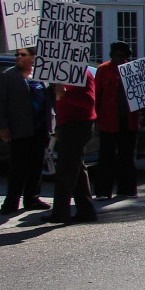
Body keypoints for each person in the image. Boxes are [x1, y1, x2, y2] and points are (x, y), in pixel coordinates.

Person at [0, 45, 53, 214]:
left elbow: (50, 99)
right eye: (17, 55)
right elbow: (1, 103)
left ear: (33, 57)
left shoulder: (41, 74)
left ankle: (32, 198)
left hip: (40, 127)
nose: (19, 57)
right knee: (18, 166)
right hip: (19, 127)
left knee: (36, 164)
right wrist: (3, 126)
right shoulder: (9, 76)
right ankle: (11, 201)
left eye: (23, 55)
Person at [43, 72, 97, 224]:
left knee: (66, 170)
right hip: (68, 124)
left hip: (78, 124)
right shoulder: (60, 74)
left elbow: (88, 101)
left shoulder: (82, 74)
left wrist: (65, 93)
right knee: (77, 169)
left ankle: (60, 213)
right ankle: (86, 210)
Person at [94, 41, 140, 200]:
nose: (119, 58)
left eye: (122, 56)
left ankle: (127, 189)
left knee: (127, 156)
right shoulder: (103, 70)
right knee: (107, 156)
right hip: (108, 120)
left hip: (129, 120)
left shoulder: (133, 69)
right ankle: (102, 191)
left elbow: (141, 94)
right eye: (116, 56)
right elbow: (97, 95)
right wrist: (95, 117)